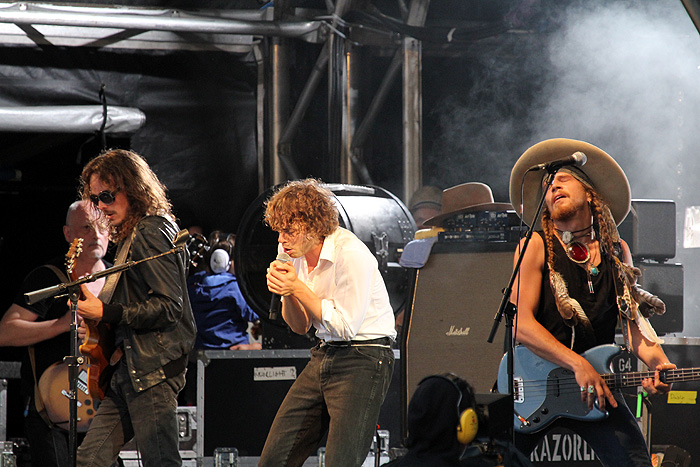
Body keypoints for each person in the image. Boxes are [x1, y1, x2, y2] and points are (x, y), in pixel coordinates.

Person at [508, 138, 675, 466]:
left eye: (563, 179)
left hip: (595, 383)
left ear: (589, 193)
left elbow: (633, 325)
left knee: (634, 461)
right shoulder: (535, 245)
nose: (553, 186)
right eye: (548, 185)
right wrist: (577, 364)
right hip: (534, 383)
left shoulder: (617, 251)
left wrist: (659, 364)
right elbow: (520, 324)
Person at [259, 178, 397, 467]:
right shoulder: (292, 254)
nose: (281, 239)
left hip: (364, 356)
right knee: (274, 458)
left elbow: (345, 327)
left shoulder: (351, 254)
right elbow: (299, 327)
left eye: (288, 230)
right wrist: (287, 293)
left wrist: (296, 287)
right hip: (324, 353)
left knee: (340, 461)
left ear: (313, 225)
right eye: (279, 231)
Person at [73, 148, 196, 467]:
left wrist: (105, 313)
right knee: (90, 460)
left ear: (133, 188)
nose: (101, 206)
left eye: (107, 196)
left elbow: (169, 306)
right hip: (130, 367)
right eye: (95, 198)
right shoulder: (136, 233)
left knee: (160, 461)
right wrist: (102, 324)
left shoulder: (150, 230)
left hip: (152, 369)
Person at [0, 200, 109, 467]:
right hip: (52, 410)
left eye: (102, 227)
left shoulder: (119, 280)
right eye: (86, 227)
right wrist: (61, 325)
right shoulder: (49, 278)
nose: (96, 234)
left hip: (104, 410)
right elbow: (6, 332)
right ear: (68, 234)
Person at [187, 230, 260, 350]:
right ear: (224, 261)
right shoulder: (234, 287)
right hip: (233, 352)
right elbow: (254, 315)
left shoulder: (192, 284)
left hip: (200, 352)